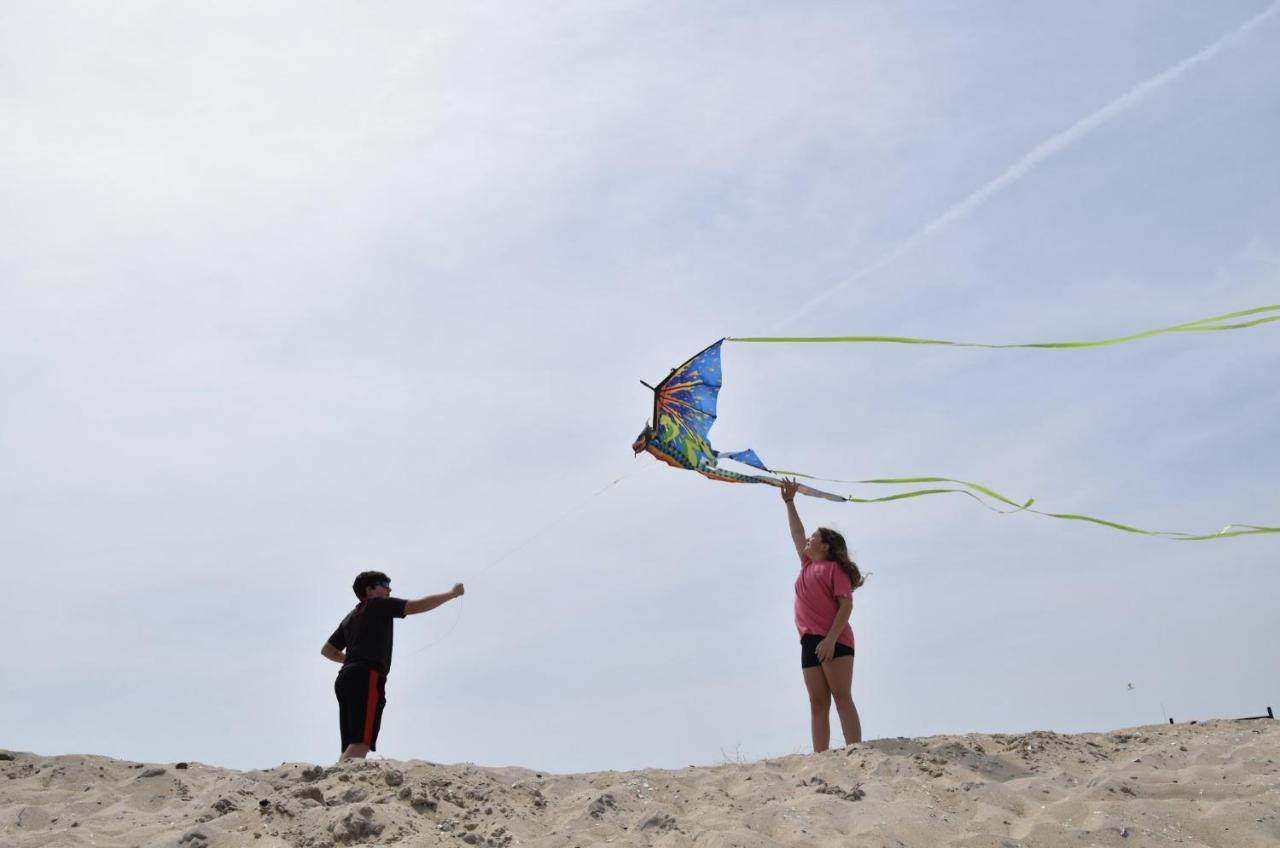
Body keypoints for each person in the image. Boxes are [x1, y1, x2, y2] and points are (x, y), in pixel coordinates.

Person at [321, 571, 464, 761]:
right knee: (361, 742)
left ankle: (335, 783)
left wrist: (350, 660)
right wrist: (452, 594)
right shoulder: (378, 605)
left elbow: (327, 651)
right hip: (366, 676)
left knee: (351, 743)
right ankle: (341, 787)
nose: (389, 588)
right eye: (384, 584)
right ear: (370, 590)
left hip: (345, 679)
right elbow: (418, 606)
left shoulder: (351, 617)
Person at [781, 478, 865, 751]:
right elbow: (796, 532)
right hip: (808, 640)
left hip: (834, 639)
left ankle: (856, 752)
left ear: (826, 546)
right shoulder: (806, 564)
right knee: (817, 702)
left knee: (841, 697)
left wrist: (830, 639)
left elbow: (846, 606)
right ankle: (821, 757)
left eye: (814, 537)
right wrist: (790, 502)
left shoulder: (833, 569)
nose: (808, 539)